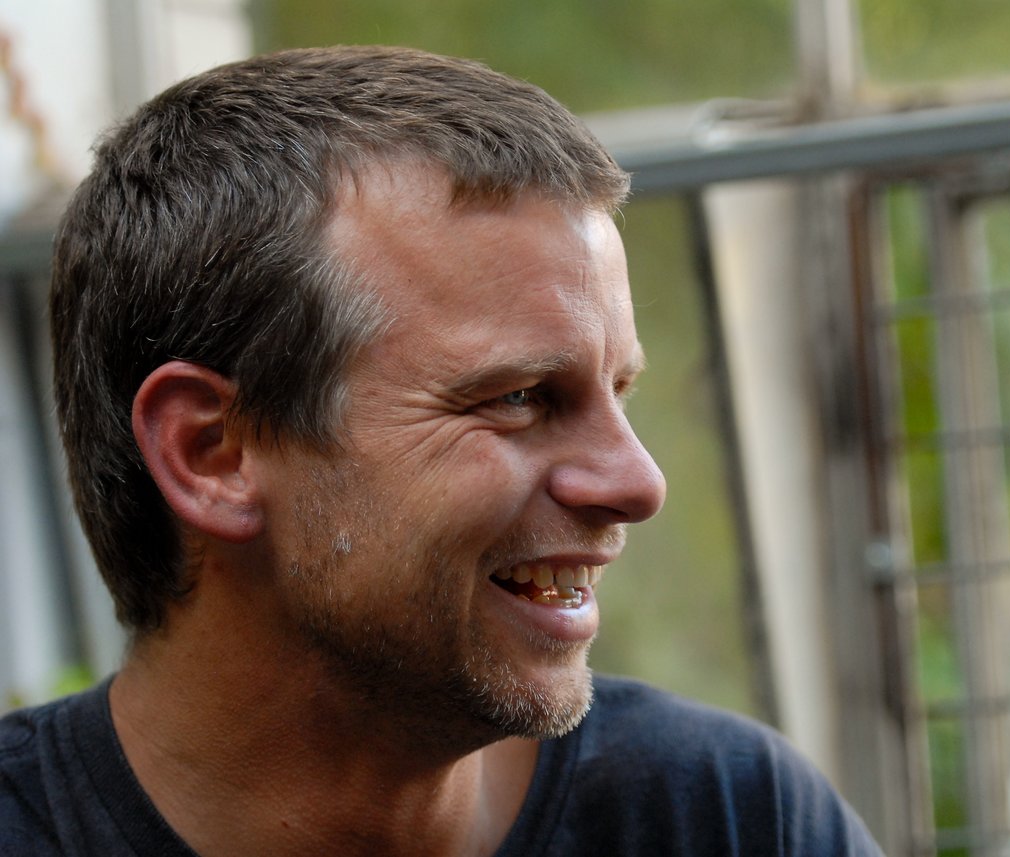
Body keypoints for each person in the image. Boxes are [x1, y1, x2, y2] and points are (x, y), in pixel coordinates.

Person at [0, 46, 882, 856]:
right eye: (518, 398)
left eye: (618, 393)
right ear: (213, 453)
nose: (637, 483)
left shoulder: (721, 816)